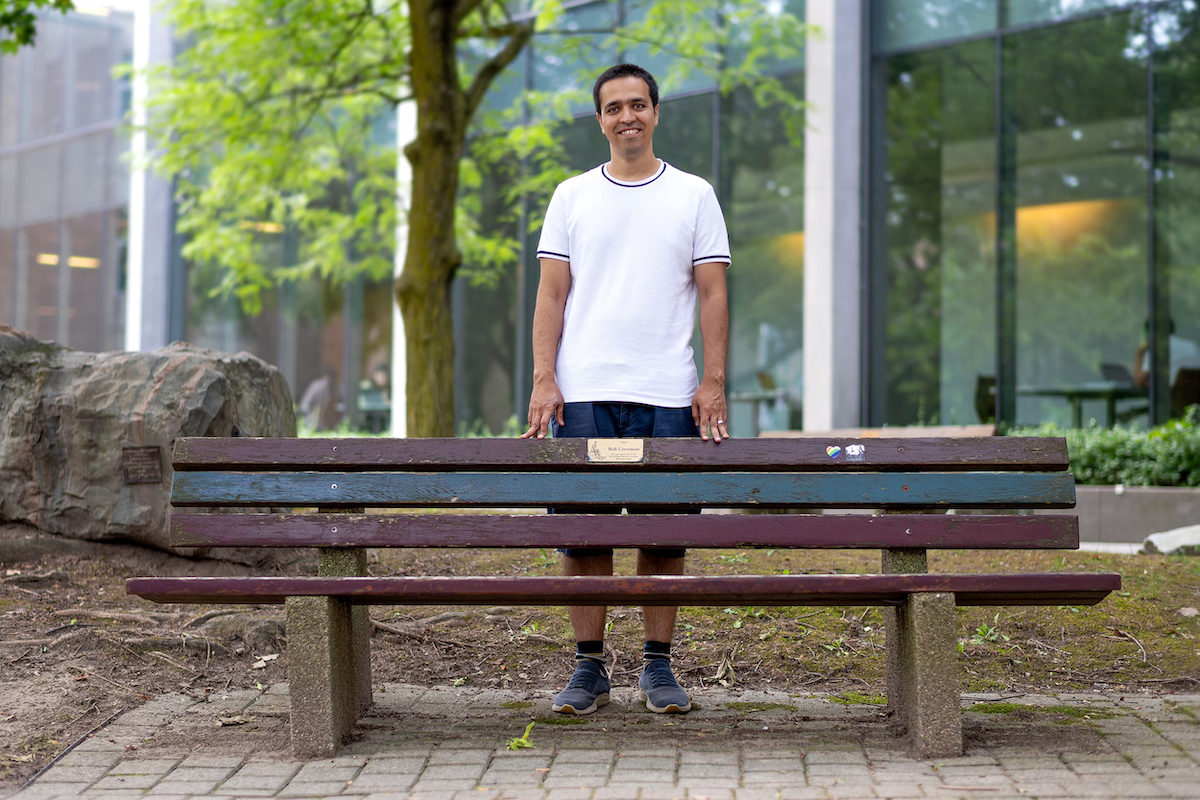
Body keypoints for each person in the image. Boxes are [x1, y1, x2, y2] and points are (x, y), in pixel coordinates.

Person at [520, 63, 731, 716]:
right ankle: (588, 671)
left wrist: (713, 383)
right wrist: (544, 378)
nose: (627, 116)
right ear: (600, 120)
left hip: (667, 394)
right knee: (584, 536)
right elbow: (551, 294)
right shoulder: (571, 196)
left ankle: (658, 668)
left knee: (662, 536)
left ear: (657, 113)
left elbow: (714, 292)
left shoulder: (694, 194)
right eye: (614, 107)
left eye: (638, 104)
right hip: (583, 394)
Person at [1132, 319, 1200, 391]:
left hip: (1168, 398)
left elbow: (1139, 382)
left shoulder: (1158, 347)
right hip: (1194, 397)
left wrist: (1139, 354)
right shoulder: (1192, 346)